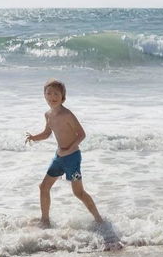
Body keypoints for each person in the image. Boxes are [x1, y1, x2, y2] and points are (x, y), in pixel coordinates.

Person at [25, 79, 105, 229]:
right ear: (44, 95)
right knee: (44, 187)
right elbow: (47, 133)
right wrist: (34, 137)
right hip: (59, 158)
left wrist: (70, 148)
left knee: (78, 192)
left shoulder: (67, 114)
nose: (52, 96)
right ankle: (45, 221)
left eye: (56, 93)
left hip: (72, 158)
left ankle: (99, 220)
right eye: (49, 93)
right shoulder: (48, 115)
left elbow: (81, 134)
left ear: (63, 97)